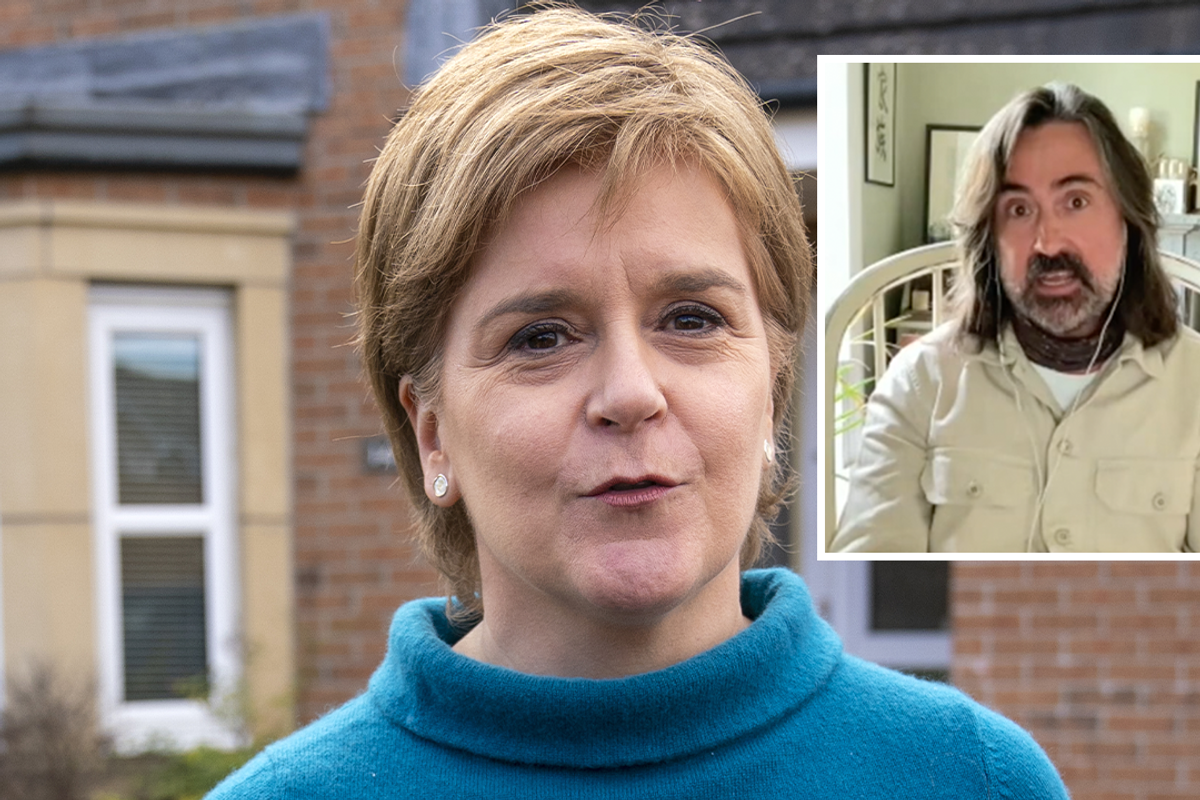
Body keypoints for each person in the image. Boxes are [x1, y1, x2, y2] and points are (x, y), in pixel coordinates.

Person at [208, 7, 1068, 797]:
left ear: (773, 385)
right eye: (540, 337)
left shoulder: (971, 780)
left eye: (692, 319)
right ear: (432, 434)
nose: (630, 393)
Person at [833, 81, 1200, 553]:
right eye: (1019, 209)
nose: (1048, 242)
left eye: (1076, 202)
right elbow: (872, 569)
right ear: (990, 238)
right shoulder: (921, 384)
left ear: (1127, 219)